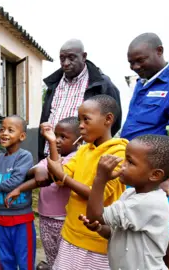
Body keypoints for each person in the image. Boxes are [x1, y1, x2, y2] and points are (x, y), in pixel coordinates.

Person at [121, 32, 169, 270]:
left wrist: (164, 175)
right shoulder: (142, 85)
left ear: (159, 51)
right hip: (139, 174)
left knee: (168, 240)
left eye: (140, 60)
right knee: (141, 238)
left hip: (166, 177)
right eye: (131, 62)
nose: (135, 67)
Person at [45, 95, 127, 270]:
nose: (80, 125)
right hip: (71, 233)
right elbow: (59, 178)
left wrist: (64, 177)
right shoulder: (83, 150)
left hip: (96, 239)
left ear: (108, 119)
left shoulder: (118, 154)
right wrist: (52, 143)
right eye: (79, 119)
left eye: (86, 120)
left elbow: (97, 194)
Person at [81, 134, 169, 270]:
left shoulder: (147, 203)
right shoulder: (130, 194)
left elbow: (96, 216)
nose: (122, 166)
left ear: (155, 175)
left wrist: (100, 179)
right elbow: (115, 233)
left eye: (130, 162)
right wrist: (99, 227)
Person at [4, 116, 81, 269]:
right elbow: (34, 172)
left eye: (63, 137)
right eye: (55, 136)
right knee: (51, 256)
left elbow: (54, 175)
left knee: (65, 260)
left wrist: (21, 187)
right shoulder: (48, 159)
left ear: (78, 142)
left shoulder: (76, 159)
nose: (57, 140)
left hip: (65, 220)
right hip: (46, 218)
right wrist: (38, 169)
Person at [39, 39, 121, 161]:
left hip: (83, 158)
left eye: (71, 58)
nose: (66, 63)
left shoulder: (102, 84)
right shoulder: (54, 84)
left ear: (84, 57)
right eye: (62, 58)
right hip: (51, 155)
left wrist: (95, 149)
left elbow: (114, 121)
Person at [0, 115, 35, 270]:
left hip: (21, 218)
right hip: (0, 218)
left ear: (22, 136)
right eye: (3, 129)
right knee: (5, 259)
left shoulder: (24, 156)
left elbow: (15, 181)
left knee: (25, 259)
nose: (4, 133)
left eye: (11, 130)